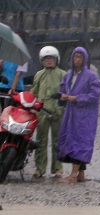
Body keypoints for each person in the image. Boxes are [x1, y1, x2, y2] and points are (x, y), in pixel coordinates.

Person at [57, 47, 100, 183]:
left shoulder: (91, 76)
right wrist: (62, 96)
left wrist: (78, 98)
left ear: (85, 59)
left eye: (80, 57)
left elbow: (95, 94)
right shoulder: (68, 75)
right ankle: (81, 174)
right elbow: (62, 88)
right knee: (71, 140)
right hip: (71, 114)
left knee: (80, 141)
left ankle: (73, 174)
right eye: (75, 57)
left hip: (85, 116)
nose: (77, 60)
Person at [30, 46, 65, 179]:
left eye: (51, 58)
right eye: (46, 59)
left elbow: (67, 91)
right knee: (40, 141)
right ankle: (40, 169)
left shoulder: (63, 74)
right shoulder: (39, 75)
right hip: (42, 111)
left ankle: (58, 169)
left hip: (57, 111)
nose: (49, 61)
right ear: (42, 61)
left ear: (57, 59)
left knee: (57, 141)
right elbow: (33, 92)